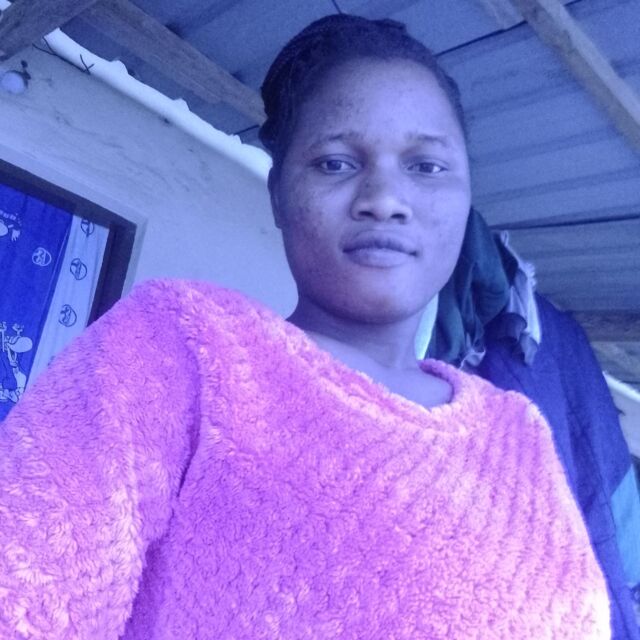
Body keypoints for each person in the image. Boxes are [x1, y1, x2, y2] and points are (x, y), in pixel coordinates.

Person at [0, 14, 610, 639]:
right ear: (279, 193)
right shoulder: (183, 348)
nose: (384, 199)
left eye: (426, 167)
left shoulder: (518, 432)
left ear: (467, 195)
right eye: (336, 163)